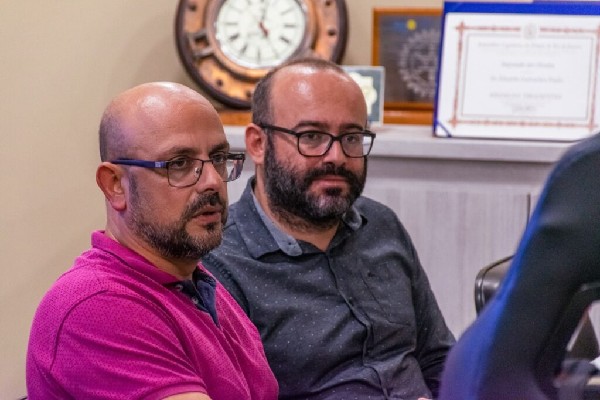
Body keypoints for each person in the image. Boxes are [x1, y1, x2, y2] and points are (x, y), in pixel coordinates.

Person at [202, 58, 455, 400]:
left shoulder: (382, 225)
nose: (336, 156)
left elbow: (437, 358)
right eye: (311, 136)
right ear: (258, 144)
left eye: (351, 137)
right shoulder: (219, 264)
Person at [26, 82, 278, 400]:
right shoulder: (97, 307)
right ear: (115, 185)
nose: (213, 181)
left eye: (218, 158)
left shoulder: (197, 283)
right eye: (179, 163)